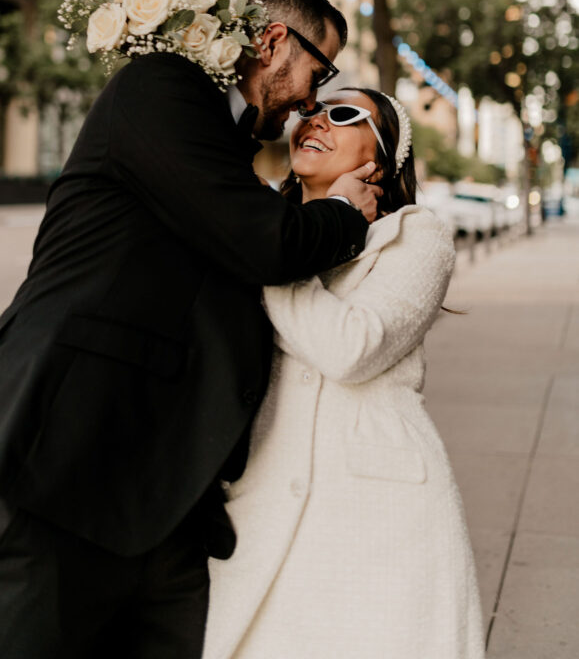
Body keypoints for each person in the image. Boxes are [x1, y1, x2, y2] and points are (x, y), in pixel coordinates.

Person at [0, 0, 382, 659]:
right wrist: (345, 211)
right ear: (271, 42)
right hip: (51, 470)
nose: (310, 102)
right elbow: (267, 244)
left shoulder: (226, 156)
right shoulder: (163, 88)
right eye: (318, 73)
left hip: (158, 503)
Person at [203, 88, 486, 659]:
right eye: (310, 109)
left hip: (379, 515)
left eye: (343, 114)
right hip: (259, 496)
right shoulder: (257, 225)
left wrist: (274, 248)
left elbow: (351, 347)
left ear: (379, 159)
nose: (315, 120)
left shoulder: (413, 237)